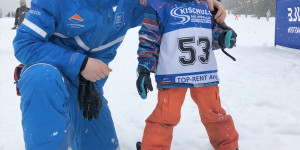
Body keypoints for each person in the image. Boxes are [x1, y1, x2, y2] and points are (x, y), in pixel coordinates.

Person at [13, 0, 226, 149]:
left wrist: (204, 0)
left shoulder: (132, 3)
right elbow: (24, 43)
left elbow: (172, 1)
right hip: (53, 76)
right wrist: (80, 63)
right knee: (42, 79)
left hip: (88, 89)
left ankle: (70, 125)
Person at [136, 0, 239, 150]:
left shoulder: (206, 5)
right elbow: (149, 39)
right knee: (166, 116)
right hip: (173, 76)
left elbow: (210, 34)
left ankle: (228, 145)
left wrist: (222, 37)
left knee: (214, 113)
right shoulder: (159, 6)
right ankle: (153, 146)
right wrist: (144, 68)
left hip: (204, 75)